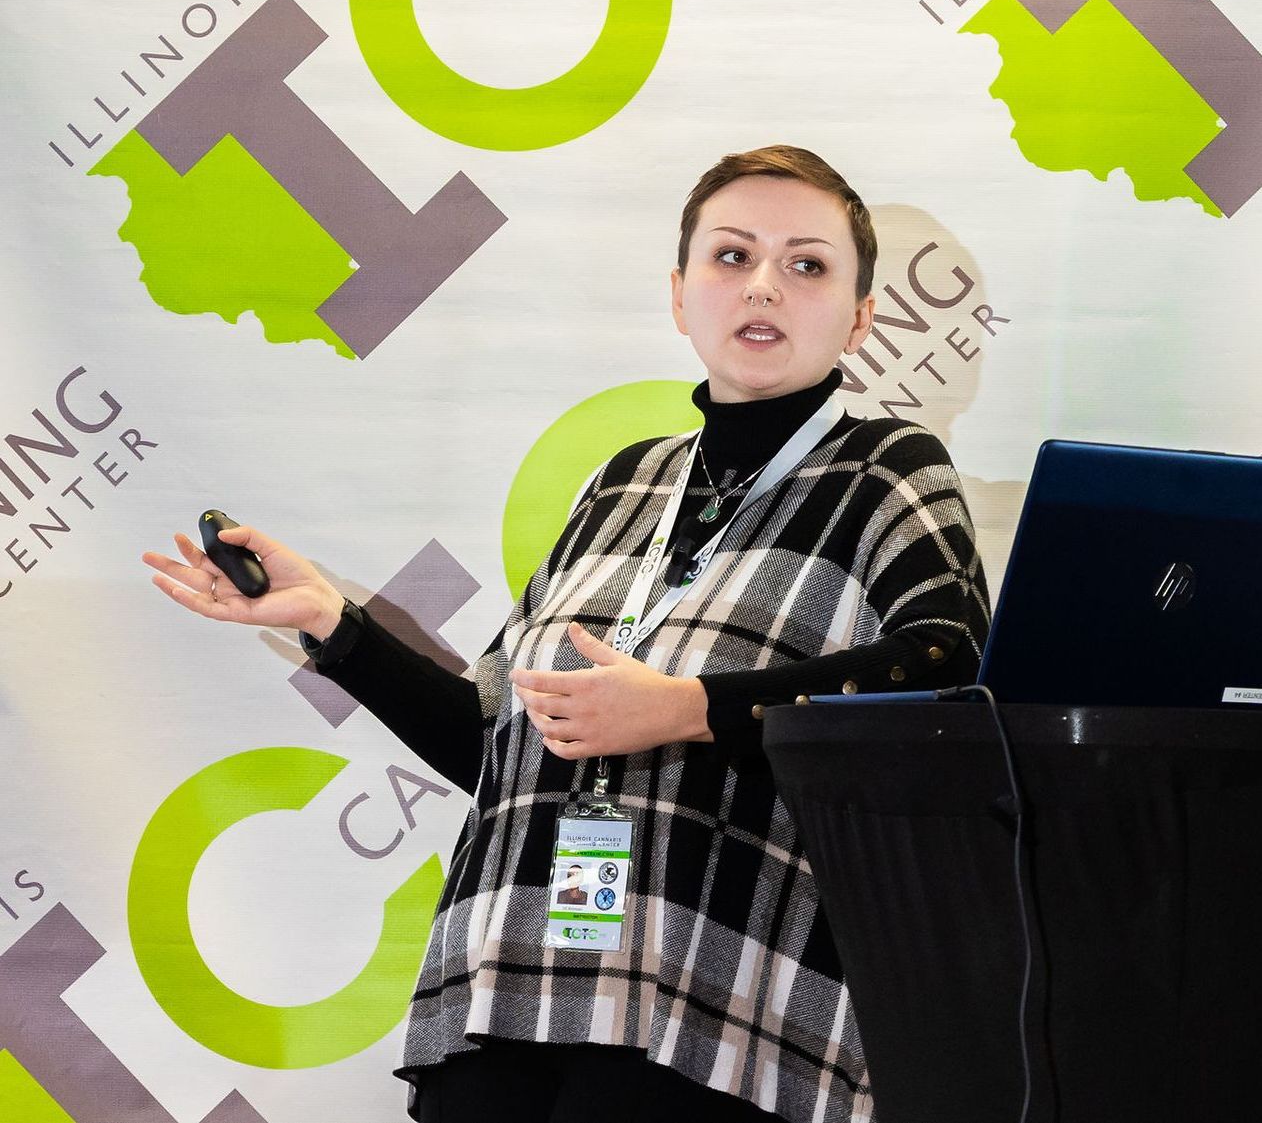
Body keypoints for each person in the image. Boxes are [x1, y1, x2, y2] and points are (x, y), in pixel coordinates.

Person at [143, 145, 990, 1123]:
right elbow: (498, 742)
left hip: (712, 997)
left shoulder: (887, 468)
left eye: (807, 264)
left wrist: (689, 710)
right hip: (513, 971)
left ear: (861, 314)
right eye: (730, 256)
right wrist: (333, 625)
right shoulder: (624, 482)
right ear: (680, 296)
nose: (763, 285)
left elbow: (945, 667)